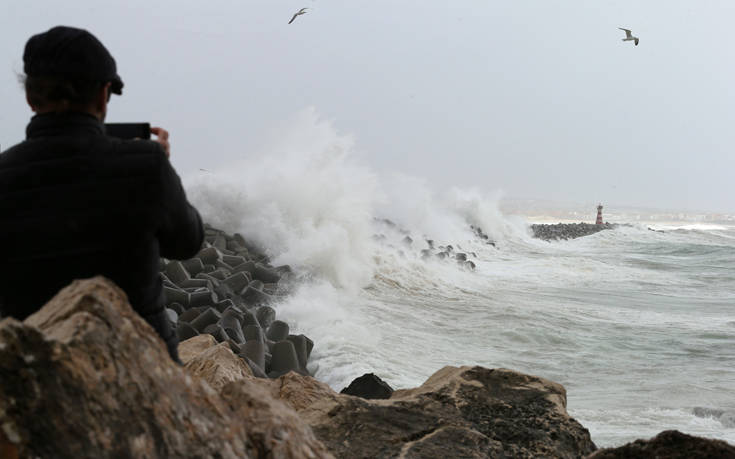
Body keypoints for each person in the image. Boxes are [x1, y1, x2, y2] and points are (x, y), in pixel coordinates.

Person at [0, 26, 203, 363]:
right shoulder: (145, 166)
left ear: (31, 97)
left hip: (35, 370)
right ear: (102, 94)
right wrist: (161, 169)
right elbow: (187, 241)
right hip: (142, 368)